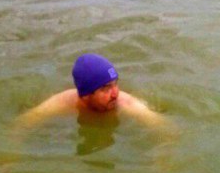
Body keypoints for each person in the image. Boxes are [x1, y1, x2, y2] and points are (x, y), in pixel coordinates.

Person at [16, 53, 171, 131]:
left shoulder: (126, 103)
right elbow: (19, 126)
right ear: (85, 94)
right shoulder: (62, 103)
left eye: (115, 84)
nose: (115, 93)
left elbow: (167, 130)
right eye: (105, 88)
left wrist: (164, 158)